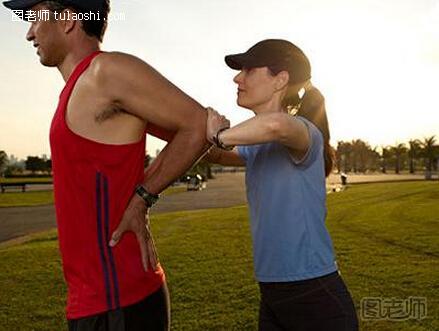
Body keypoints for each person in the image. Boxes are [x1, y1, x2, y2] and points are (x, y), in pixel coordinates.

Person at [3, 0, 209, 330]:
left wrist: (143, 197)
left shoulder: (105, 72)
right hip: (98, 300)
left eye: (36, 18)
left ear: (68, 20)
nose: (29, 33)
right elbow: (200, 135)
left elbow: (198, 125)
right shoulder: (81, 89)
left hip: (118, 302)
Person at [206, 39, 359, 330]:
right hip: (273, 291)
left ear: (281, 79)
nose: (237, 77)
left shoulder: (304, 132)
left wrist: (219, 135)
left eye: (248, 70)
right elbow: (213, 152)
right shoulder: (256, 146)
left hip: (314, 293)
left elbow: (275, 126)